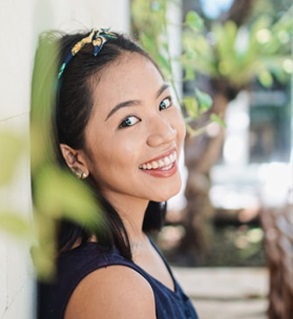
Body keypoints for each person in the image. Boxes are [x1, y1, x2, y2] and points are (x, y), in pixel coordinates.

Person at [36, 28, 199, 319]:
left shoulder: (132, 240)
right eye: (129, 120)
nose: (165, 132)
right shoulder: (114, 291)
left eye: (163, 103)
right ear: (75, 158)